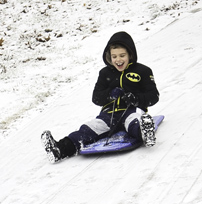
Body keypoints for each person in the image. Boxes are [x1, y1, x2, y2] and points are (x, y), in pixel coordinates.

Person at [42, 31, 159, 162]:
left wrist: (135, 99)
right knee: (89, 128)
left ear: (130, 54)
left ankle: (145, 133)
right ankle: (60, 149)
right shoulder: (105, 73)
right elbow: (96, 97)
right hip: (109, 113)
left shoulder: (142, 71)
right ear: (109, 56)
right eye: (114, 56)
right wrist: (110, 95)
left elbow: (153, 96)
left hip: (132, 110)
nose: (118, 60)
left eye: (122, 55)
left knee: (134, 121)